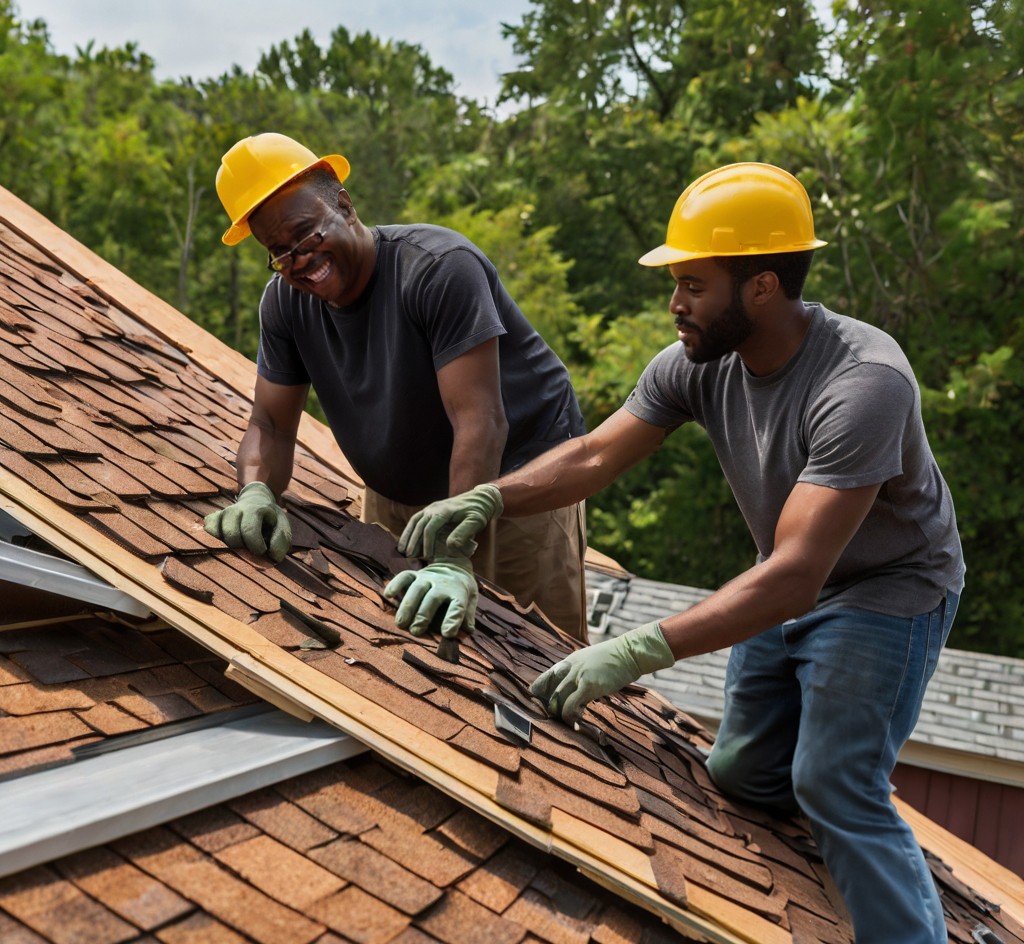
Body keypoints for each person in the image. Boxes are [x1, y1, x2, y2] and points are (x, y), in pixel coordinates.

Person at [390, 162, 965, 944]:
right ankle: (819, 766)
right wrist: (490, 496)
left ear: (761, 287)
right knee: (739, 775)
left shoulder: (863, 383)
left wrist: (633, 651)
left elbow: (799, 576)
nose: (675, 304)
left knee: (836, 783)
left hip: (886, 591)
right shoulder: (697, 362)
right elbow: (593, 456)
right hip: (785, 575)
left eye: (694, 284)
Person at [204, 132, 588, 640]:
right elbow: (270, 425)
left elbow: (480, 420)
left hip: (513, 489)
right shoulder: (284, 305)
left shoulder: (437, 269)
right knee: (408, 653)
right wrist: (255, 490)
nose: (299, 262)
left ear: (344, 204)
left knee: (535, 657)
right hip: (397, 499)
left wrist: (451, 556)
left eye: (307, 236)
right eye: (279, 253)